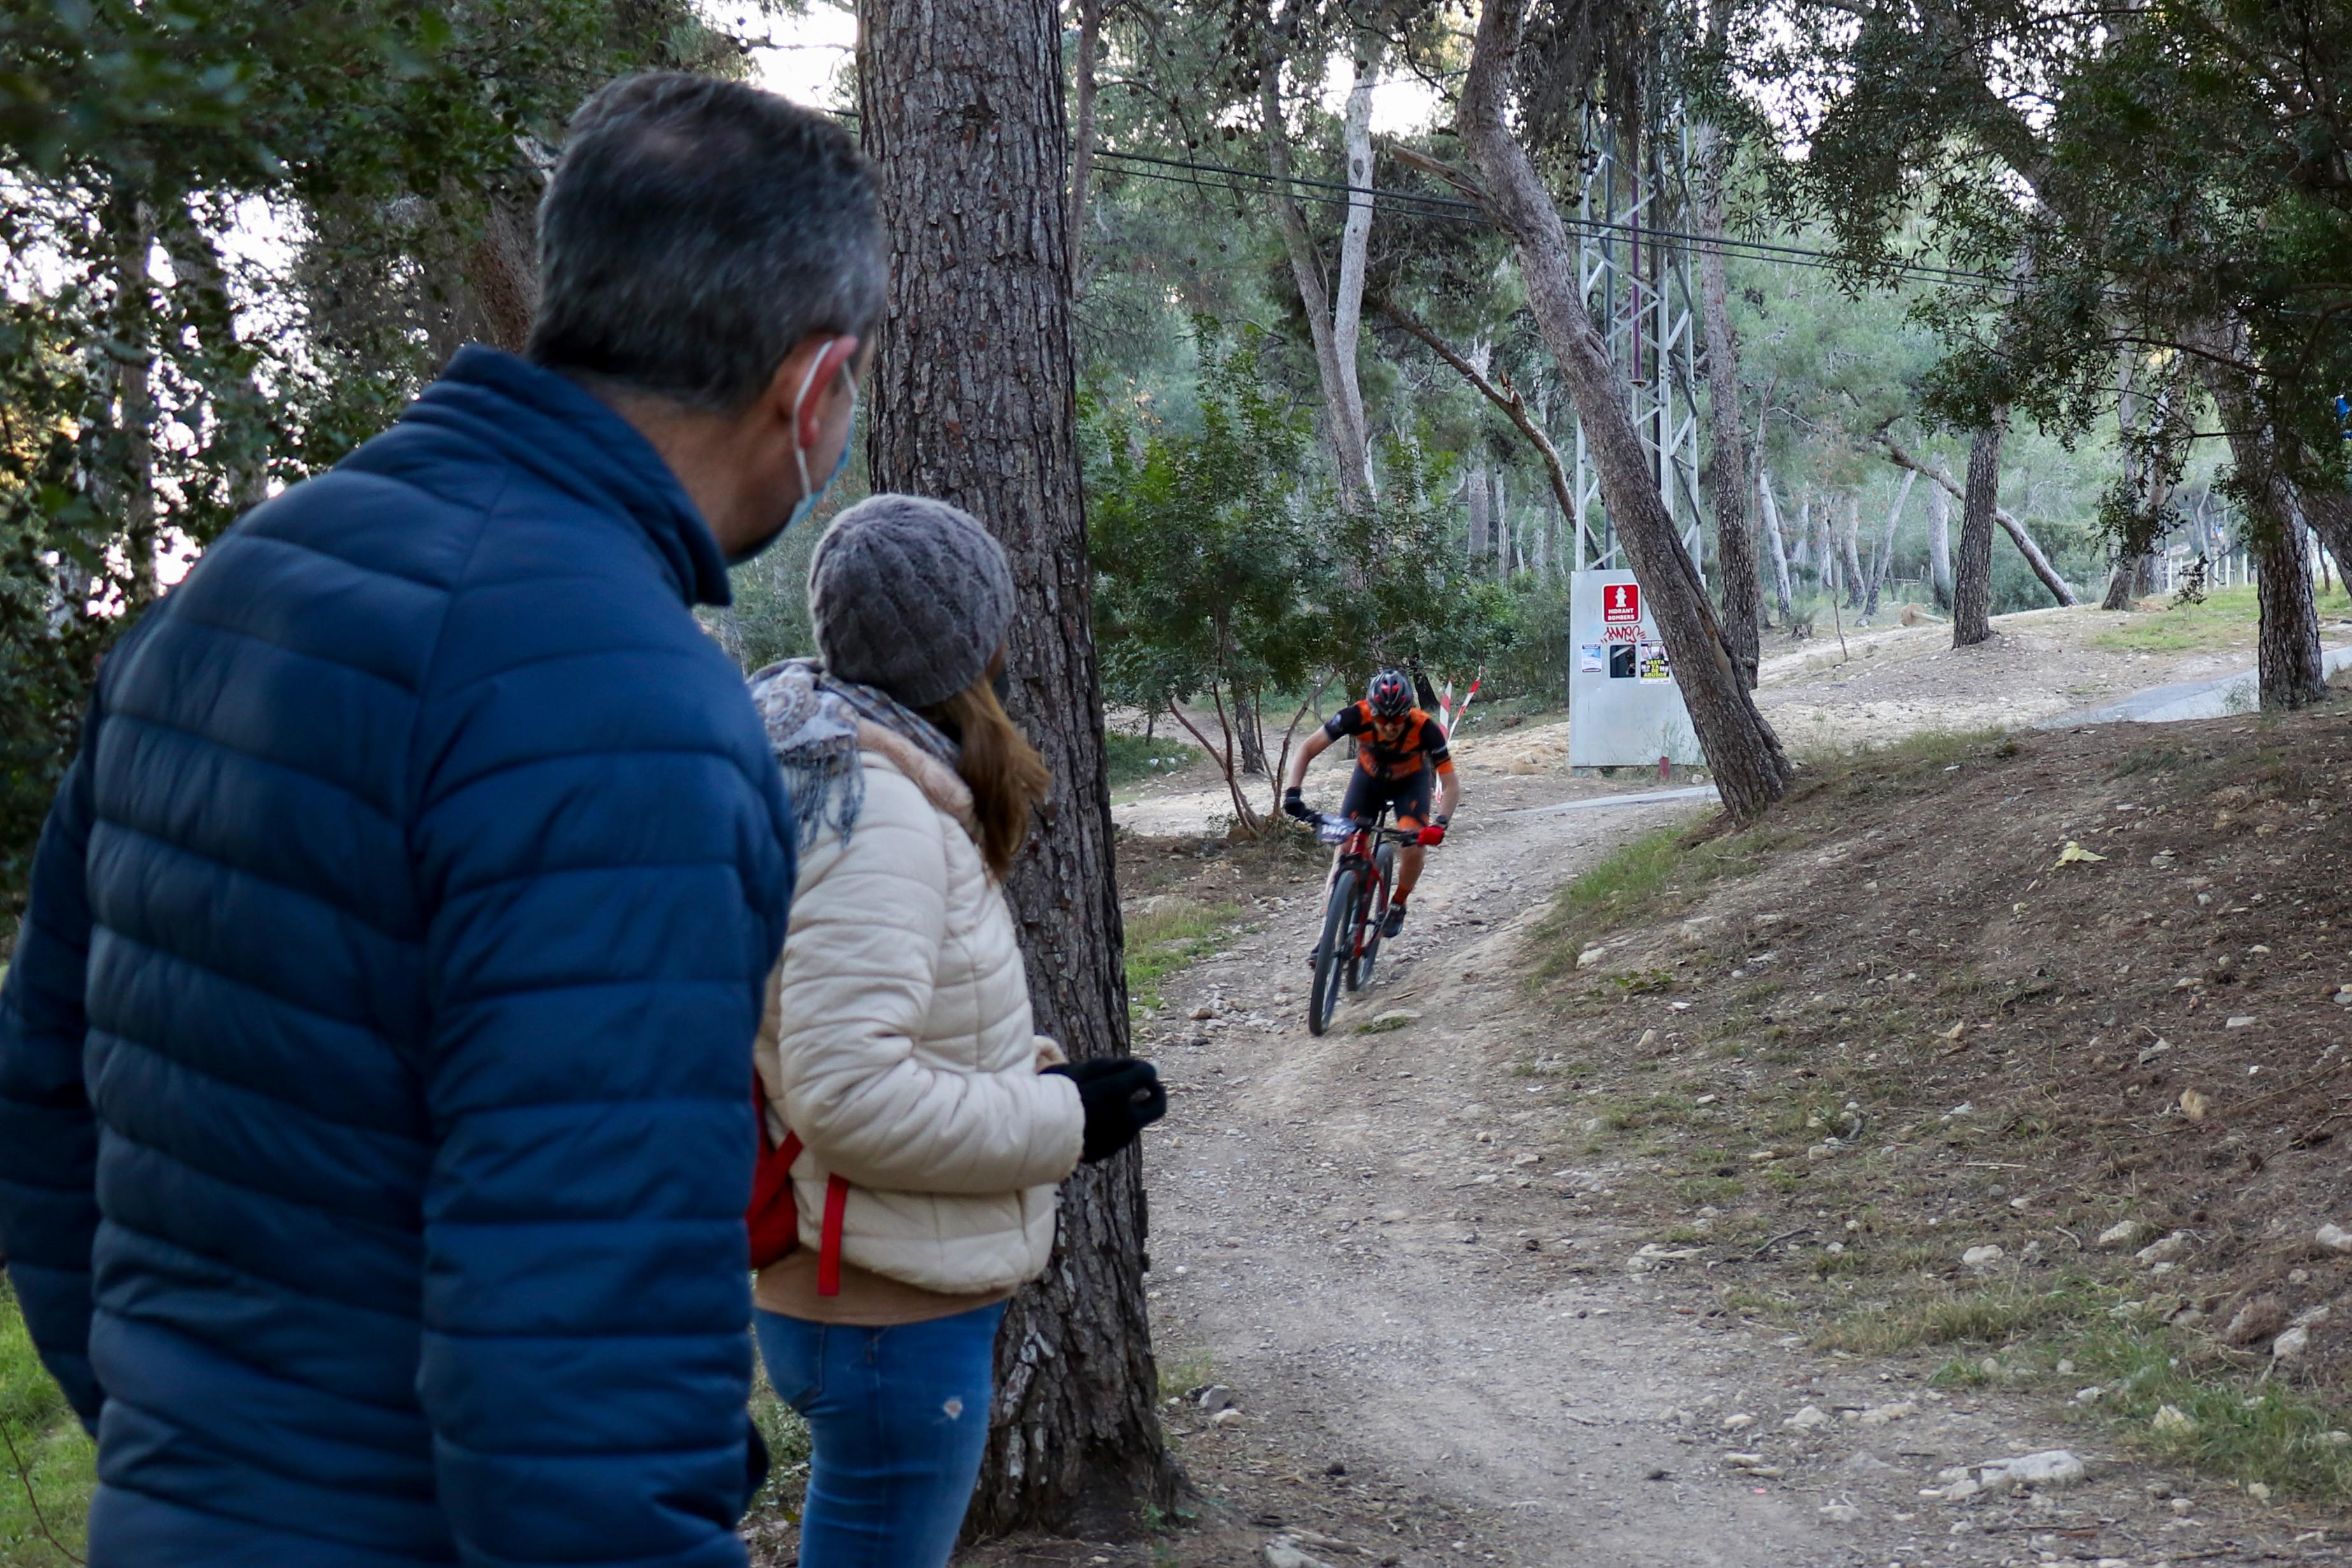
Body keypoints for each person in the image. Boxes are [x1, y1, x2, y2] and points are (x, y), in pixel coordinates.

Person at [0, 73, 877, 1566]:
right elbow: (579, 1379)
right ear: (814, 389)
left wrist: (206, 1457)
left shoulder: (230, 586)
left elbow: (45, 1109)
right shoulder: (629, 705)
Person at [746, 494, 1165, 1568]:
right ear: (964, 641)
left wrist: (1028, 1073)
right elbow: (848, 1093)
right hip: (881, 1307)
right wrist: (1059, 1119)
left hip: (877, 1287)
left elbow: (855, 1033)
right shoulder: (871, 812)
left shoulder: (865, 778)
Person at [1281, 669, 1462, 935]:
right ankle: (1327, 933)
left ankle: (1398, 903)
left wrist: (1441, 823)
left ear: (1409, 712)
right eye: (1383, 718)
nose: (1390, 726)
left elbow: (1451, 785)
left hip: (1410, 783)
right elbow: (1307, 749)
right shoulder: (1355, 715)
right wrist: (1292, 793)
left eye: (1398, 719)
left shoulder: (1425, 728)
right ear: (1371, 710)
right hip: (1368, 779)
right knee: (1345, 847)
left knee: (1412, 844)